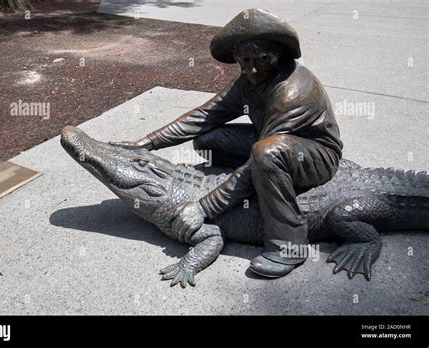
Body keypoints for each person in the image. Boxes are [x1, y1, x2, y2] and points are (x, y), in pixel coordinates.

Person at [112, 8, 343, 278]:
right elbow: (205, 116)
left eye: (261, 60)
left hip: (314, 155)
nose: (252, 69)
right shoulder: (250, 78)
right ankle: (253, 183)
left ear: (278, 54)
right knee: (208, 139)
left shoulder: (292, 91)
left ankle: (288, 245)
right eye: (245, 61)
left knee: (265, 155)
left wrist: (203, 208)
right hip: (272, 142)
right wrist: (148, 142)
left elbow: (264, 151)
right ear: (236, 58)